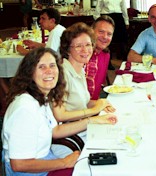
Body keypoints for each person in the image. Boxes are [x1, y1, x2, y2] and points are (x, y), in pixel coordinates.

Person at [1, 47, 117, 175]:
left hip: (44, 158)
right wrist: (64, 162)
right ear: (30, 72)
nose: (49, 71)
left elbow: (55, 131)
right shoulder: (25, 109)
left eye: (52, 65)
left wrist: (93, 120)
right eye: (41, 67)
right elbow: (19, 164)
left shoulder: (40, 97)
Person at [51, 22, 116, 158]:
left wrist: (101, 102)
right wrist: (94, 111)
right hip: (68, 138)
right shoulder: (62, 74)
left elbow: (80, 102)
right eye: (78, 46)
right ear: (68, 49)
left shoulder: (79, 70)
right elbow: (60, 115)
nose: (85, 50)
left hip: (80, 128)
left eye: (88, 45)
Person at [85, 15, 114, 100]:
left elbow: (97, 87)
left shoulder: (105, 55)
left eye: (109, 34)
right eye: (101, 32)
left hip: (94, 104)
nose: (105, 37)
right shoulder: (81, 54)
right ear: (91, 31)